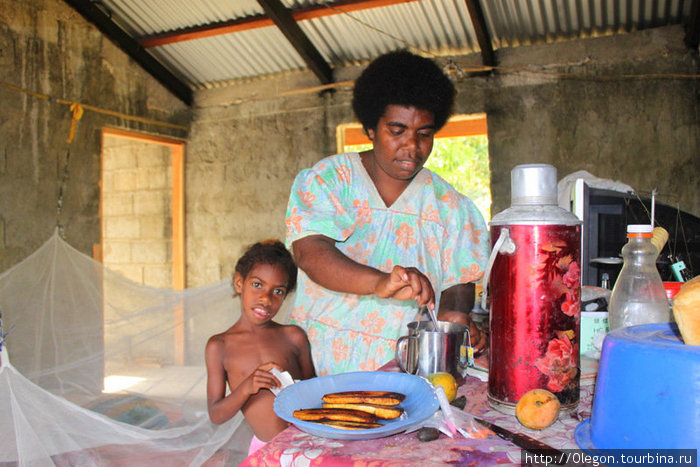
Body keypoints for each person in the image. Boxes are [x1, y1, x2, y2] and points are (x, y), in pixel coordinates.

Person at [284, 49, 490, 376]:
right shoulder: (330, 181)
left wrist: (454, 313)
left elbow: (459, 278)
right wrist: (379, 282)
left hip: (403, 369)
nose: (412, 147)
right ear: (370, 127)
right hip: (318, 364)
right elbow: (310, 253)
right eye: (397, 131)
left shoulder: (450, 206)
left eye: (424, 134)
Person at [205, 240, 315, 455]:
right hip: (267, 452)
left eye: (278, 291)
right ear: (239, 283)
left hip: (308, 445)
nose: (266, 298)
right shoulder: (220, 346)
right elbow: (216, 414)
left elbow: (314, 392)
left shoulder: (293, 337)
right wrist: (247, 387)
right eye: (257, 285)